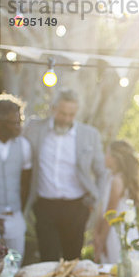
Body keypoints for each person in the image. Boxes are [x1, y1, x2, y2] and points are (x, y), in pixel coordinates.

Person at [24, 89, 107, 261]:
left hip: (76, 206)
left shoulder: (89, 135)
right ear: (53, 109)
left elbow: (101, 172)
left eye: (71, 114)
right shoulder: (34, 128)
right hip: (45, 205)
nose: (67, 119)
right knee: (48, 259)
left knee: (73, 260)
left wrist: (94, 199)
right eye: (63, 113)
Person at [0, 94, 31, 260]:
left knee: (15, 268)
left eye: (20, 121)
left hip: (15, 218)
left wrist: (18, 210)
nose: (18, 127)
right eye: (14, 123)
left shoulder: (24, 146)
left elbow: (26, 183)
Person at [93, 140, 139, 264]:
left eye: (107, 153)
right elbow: (102, 209)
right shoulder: (110, 177)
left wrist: (101, 240)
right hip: (109, 230)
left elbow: (111, 213)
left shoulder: (118, 181)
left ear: (115, 158)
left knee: (118, 267)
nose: (105, 157)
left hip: (117, 233)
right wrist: (96, 232)